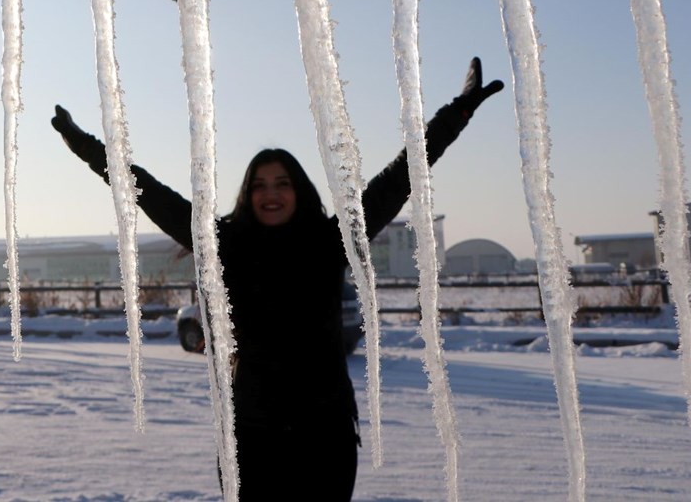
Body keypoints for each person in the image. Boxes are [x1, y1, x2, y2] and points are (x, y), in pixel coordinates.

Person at [51, 57, 503, 500]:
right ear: (247, 193)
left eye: (282, 182)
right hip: (251, 435)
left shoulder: (332, 240)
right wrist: (85, 145)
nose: (271, 193)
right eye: (260, 184)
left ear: (299, 189)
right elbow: (145, 190)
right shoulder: (222, 241)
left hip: (325, 435)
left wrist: (457, 111)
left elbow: (400, 176)